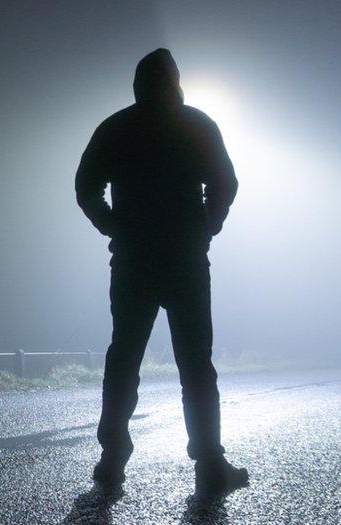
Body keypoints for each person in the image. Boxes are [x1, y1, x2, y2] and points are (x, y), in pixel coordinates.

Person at [75, 48, 248, 496]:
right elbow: (225, 183)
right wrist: (208, 225)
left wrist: (113, 226)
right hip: (186, 260)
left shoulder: (116, 128)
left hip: (133, 260)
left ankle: (111, 461)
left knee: (124, 357)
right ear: (175, 83)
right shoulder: (197, 124)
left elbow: (85, 189)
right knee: (195, 362)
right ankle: (209, 463)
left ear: (137, 85)